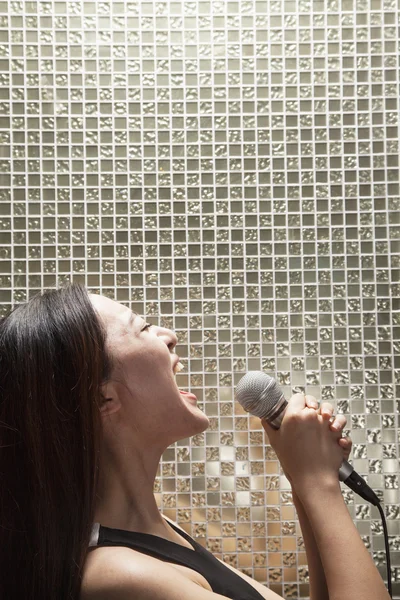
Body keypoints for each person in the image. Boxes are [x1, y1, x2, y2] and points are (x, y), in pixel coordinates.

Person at [0, 283, 390, 600]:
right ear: (104, 399)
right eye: (142, 328)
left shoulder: (153, 530)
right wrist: (318, 483)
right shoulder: (120, 576)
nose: (170, 336)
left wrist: (303, 478)